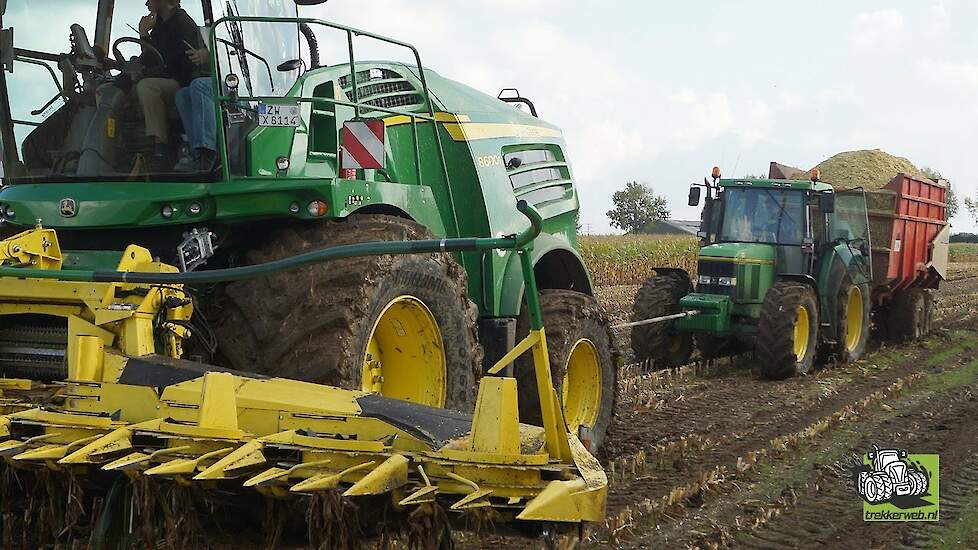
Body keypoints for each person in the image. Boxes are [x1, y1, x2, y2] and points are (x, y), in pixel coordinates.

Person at [133, 0, 205, 169]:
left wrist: (143, 33)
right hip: (169, 78)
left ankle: (161, 148)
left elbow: (171, 63)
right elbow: (150, 59)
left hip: (182, 83)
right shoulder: (160, 25)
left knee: (147, 87)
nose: (146, 3)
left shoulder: (182, 23)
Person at [173, 49, 216, 172]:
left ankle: (207, 153)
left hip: (240, 85)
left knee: (199, 86)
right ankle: (197, 155)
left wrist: (210, 56)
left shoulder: (236, 36)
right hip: (217, 80)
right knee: (182, 95)